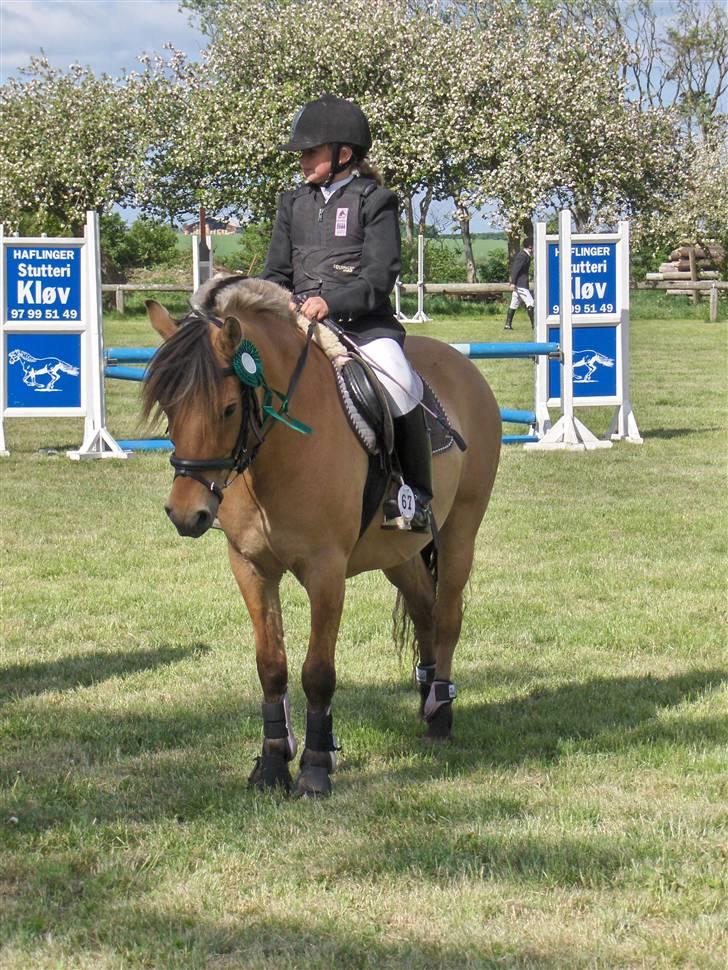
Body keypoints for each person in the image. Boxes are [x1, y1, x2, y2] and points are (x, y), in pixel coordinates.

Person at [261, 94, 432, 533]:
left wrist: (330, 302)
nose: (302, 160)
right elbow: (276, 272)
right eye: (300, 153)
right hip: (299, 323)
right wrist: (278, 302)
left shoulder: (376, 201)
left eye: (310, 151)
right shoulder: (292, 203)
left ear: (343, 154)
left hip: (362, 325)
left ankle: (411, 495)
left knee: (398, 384)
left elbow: (379, 278)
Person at [505, 238, 534, 330]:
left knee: (514, 304)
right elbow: (515, 269)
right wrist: (513, 282)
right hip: (521, 284)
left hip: (519, 284)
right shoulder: (523, 255)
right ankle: (535, 325)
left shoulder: (525, 255)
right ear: (530, 246)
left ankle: (507, 324)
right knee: (531, 303)